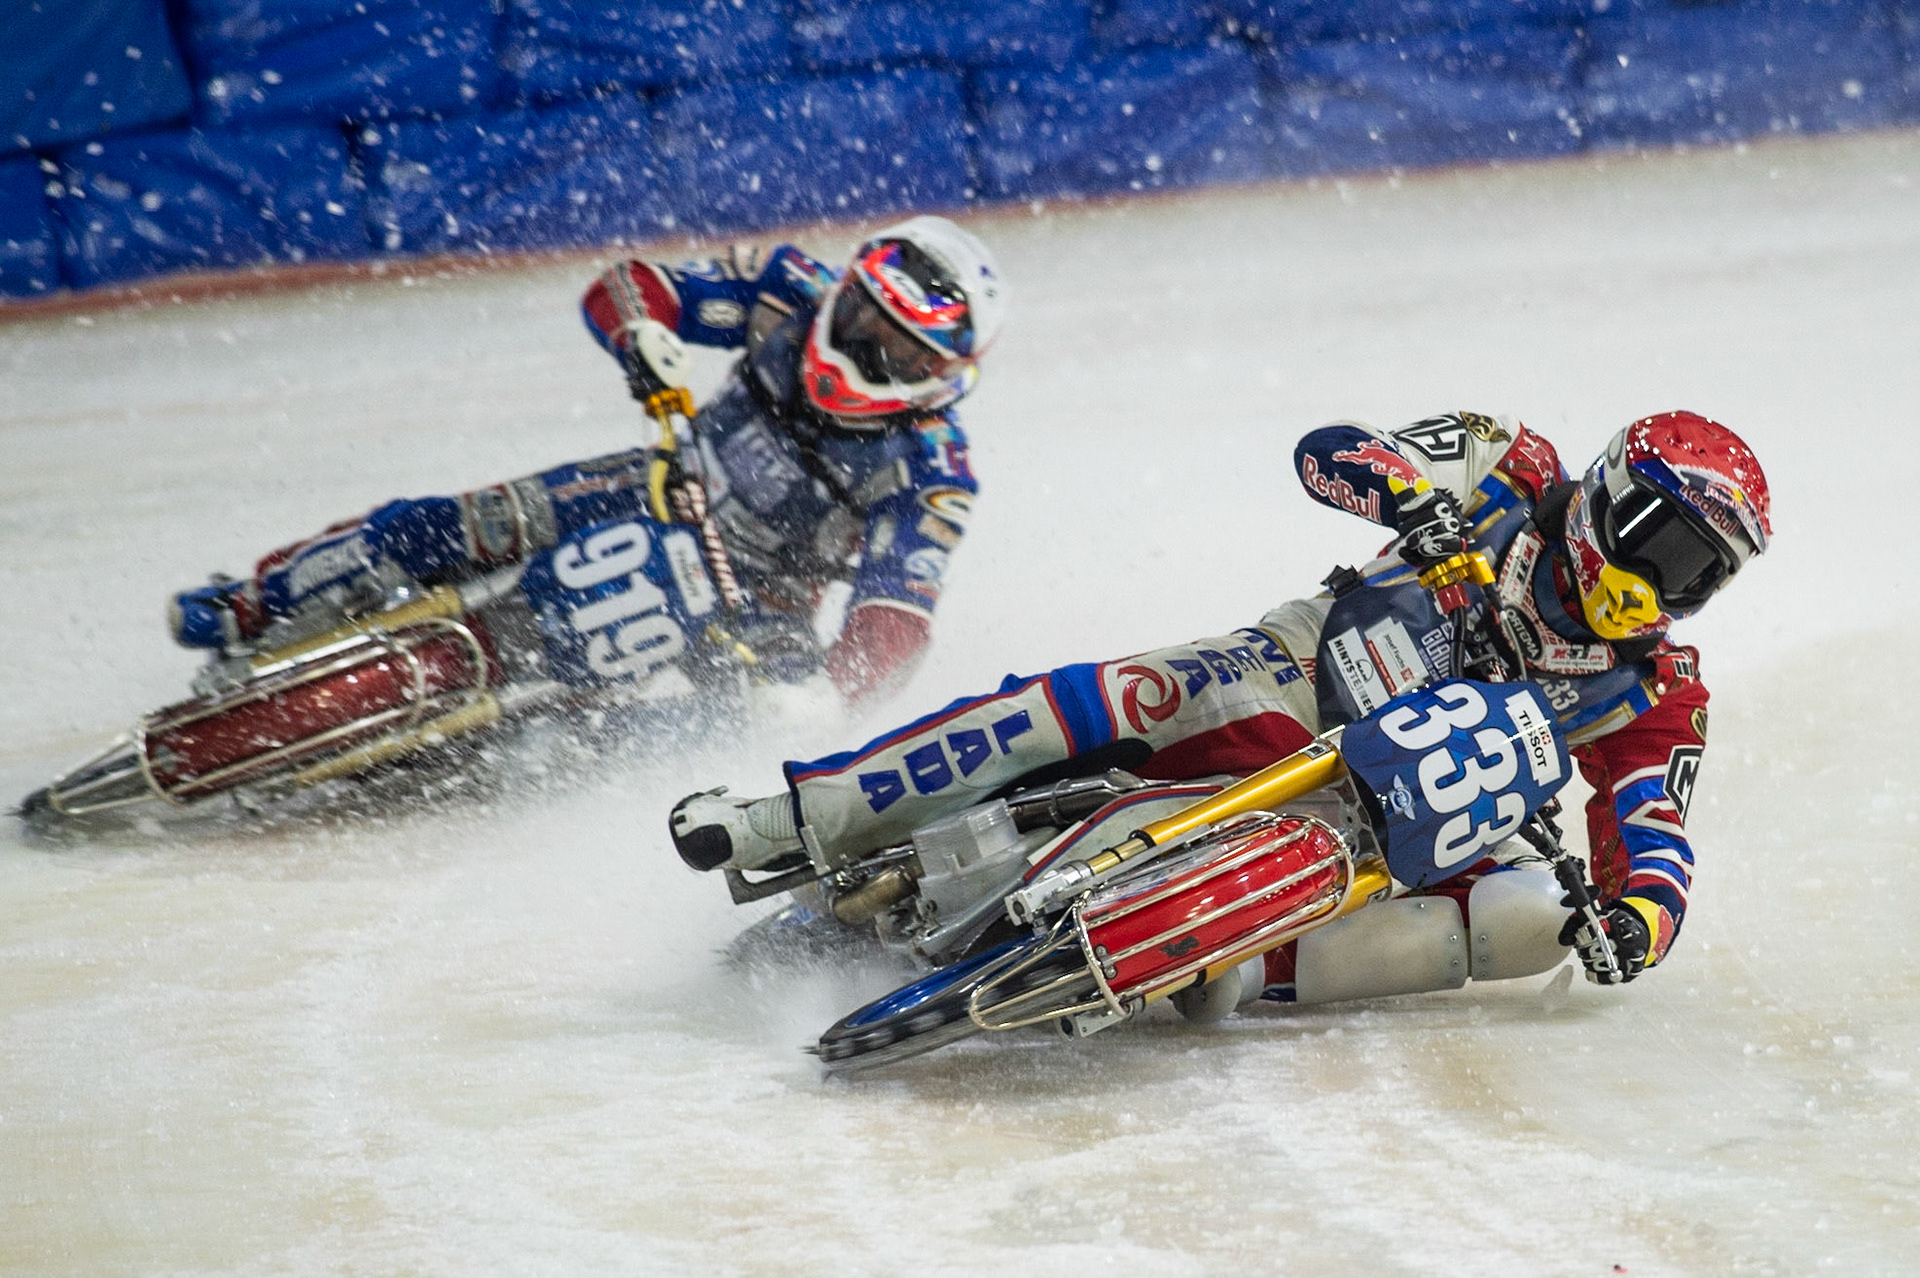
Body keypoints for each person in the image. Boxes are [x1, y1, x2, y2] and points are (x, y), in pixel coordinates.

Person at [671, 409, 1772, 993]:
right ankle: (793, 816)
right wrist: (1411, 503)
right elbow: (1331, 452)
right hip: (1299, 669)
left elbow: (1653, 826)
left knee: (1527, 922)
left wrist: (1640, 921)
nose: (1660, 585)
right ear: (1612, 494)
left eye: (1696, 574)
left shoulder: (1658, 690)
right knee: (1115, 696)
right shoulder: (1508, 466)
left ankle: (1227, 969)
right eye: (1659, 543)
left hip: (1404, 819)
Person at [165, 216, 1006, 707]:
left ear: (942, 375)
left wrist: (830, 695)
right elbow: (632, 284)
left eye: (900, 351)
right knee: (438, 527)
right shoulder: (788, 285)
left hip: (758, 600)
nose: (864, 351)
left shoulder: (934, 472)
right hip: (657, 479)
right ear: (845, 290)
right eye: (863, 320)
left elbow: (894, 621)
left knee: (716, 737)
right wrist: (642, 339)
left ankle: (516, 744)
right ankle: (257, 600)